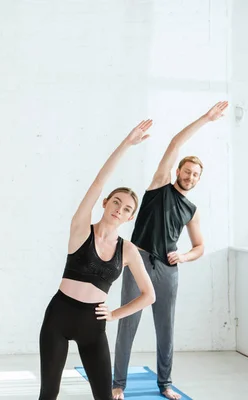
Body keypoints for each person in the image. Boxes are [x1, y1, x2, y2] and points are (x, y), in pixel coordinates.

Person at [112, 101, 228, 400]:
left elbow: (200, 247)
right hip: (138, 261)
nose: (189, 177)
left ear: (199, 179)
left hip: (168, 269)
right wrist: (206, 118)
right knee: (128, 324)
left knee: (166, 329)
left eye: (195, 175)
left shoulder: (191, 210)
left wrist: (185, 256)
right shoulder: (159, 185)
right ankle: (118, 385)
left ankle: (165, 384)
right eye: (187, 171)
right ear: (178, 170)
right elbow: (176, 142)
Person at [39, 120, 157, 400]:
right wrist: (126, 144)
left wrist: (115, 314)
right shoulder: (81, 229)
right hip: (59, 316)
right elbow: (98, 181)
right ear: (105, 203)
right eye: (116, 202)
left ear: (130, 217)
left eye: (127, 208)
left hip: (93, 324)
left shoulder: (127, 250)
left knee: (104, 396)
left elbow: (149, 295)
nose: (120, 209)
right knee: (49, 393)